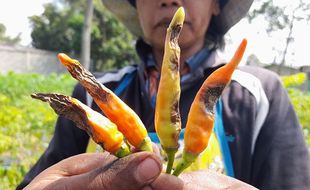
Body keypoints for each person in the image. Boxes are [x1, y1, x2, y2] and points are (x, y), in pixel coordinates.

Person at [18, 0, 310, 189]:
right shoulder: (91, 94)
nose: (170, 0)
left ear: (216, 5)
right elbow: (45, 178)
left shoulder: (260, 95)